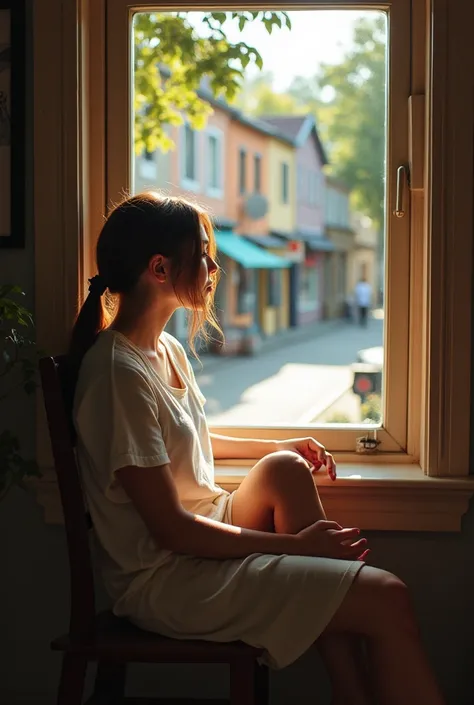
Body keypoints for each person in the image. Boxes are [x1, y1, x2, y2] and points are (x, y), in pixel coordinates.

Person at [69, 191, 445, 705]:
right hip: (167, 579)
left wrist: (279, 444)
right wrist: (302, 548)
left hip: (193, 550)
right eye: (202, 254)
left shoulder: (165, 349)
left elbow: (189, 438)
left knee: (285, 468)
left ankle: (349, 693)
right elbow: (172, 530)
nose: (212, 266)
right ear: (159, 268)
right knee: (389, 598)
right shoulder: (117, 373)